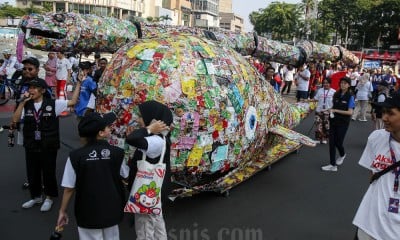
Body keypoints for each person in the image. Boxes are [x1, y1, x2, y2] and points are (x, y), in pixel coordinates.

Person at [11, 77, 81, 212]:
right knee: (32, 172)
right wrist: (21, 103)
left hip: (48, 144)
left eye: (34, 87)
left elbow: (72, 101)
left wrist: (78, 83)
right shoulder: (26, 104)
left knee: (48, 172)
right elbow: (15, 119)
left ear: (42, 90)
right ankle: (36, 197)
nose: (30, 90)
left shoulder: (54, 104)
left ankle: (49, 197)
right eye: (29, 87)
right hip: (31, 144)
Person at [57, 112, 128, 240]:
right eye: (107, 126)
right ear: (101, 133)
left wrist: (62, 211)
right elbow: (125, 174)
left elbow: (69, 188)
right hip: (112, 207)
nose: (110, 128)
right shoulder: (118, 153)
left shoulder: (75, 156)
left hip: (87, 210)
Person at [352, 93, 400, 240]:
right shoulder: (376, 137)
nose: (384, 117)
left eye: (390, 113)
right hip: (368, 225)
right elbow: (374, 176)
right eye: (384, 112)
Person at [125, 100, 173, 240]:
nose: (138, 119)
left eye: (140, 116)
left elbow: (132, 139)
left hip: (146, 193)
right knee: (157, 223)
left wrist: (149, 129)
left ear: (153, 120)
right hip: (155, 191)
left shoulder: (155, 141)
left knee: (145, 229)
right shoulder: (160, 138)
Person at [321, 77, 355, 172]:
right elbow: (333, 106)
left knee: (338, 143)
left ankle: (342, 154)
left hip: (343, 123)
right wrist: (329, 109)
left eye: (345, 83)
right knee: (331, 143)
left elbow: (350, 112)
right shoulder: (336, 94)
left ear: (348, 85)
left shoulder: (350, 96)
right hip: (333, 121)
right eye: (341, 83)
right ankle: (332, 165)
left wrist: (335, 110)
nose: (342, 84)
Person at [313, 78, 336, 144]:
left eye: (327, 83)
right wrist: (306, 100)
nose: (325, 84)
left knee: (326, 126)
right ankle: (318, 138)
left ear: (330, 83)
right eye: (324, 83)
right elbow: (315, 99)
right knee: (318, 125)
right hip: (319, 111)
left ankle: (324, 138)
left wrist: (333, 110)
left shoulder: (334, 92)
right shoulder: (320, 90)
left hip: (327, 112)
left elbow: (335, 103)